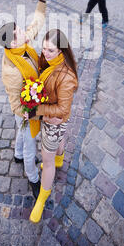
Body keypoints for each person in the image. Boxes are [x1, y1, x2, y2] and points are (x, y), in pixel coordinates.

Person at [0, 0, 54, 199]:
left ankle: (17, 155)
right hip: (25, 113)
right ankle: (33, 177)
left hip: (29, 107)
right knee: (31, 145)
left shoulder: (21, 46)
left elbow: (36, 23)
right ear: (11, 44)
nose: (23, 32)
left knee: (20, 137)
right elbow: (17, 103)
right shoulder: (11, 71)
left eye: (20, 29)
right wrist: (32, 115)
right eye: (19, 33)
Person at [27, 29, 78, 223]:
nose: (44, 53)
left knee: (46, 161)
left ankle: (42, 197)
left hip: (53, 121)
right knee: (60, 138)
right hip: (53, 120)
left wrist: (36, 110)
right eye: (44, 48)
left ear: (61, 51)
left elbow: (63, 110)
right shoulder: (50, 62)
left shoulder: (66, 76)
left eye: (50, 50)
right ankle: (60, 159)